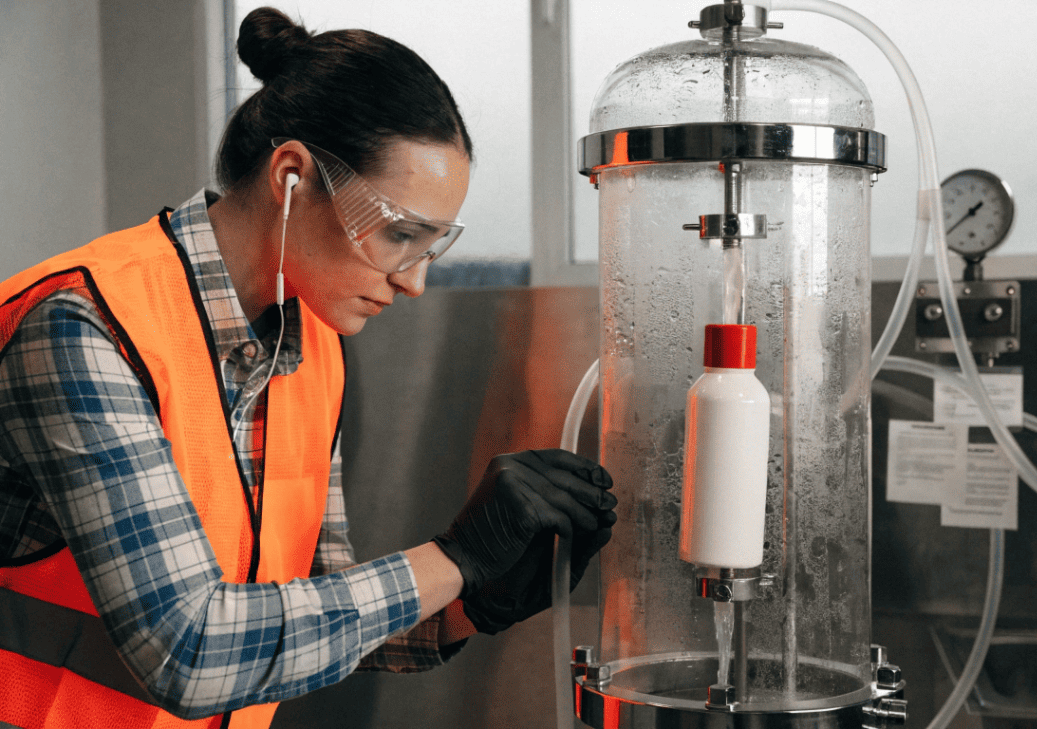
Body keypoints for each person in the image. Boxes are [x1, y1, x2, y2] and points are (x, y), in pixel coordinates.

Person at [0, 7, 616, 728]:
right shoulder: (84, 326)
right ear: (292, 175)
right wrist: (451, 557)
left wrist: (469, 603)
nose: (415, 281)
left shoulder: (310, 343)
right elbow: (187, 649)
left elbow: (314, 610)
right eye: (398, 233)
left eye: (431, 245)